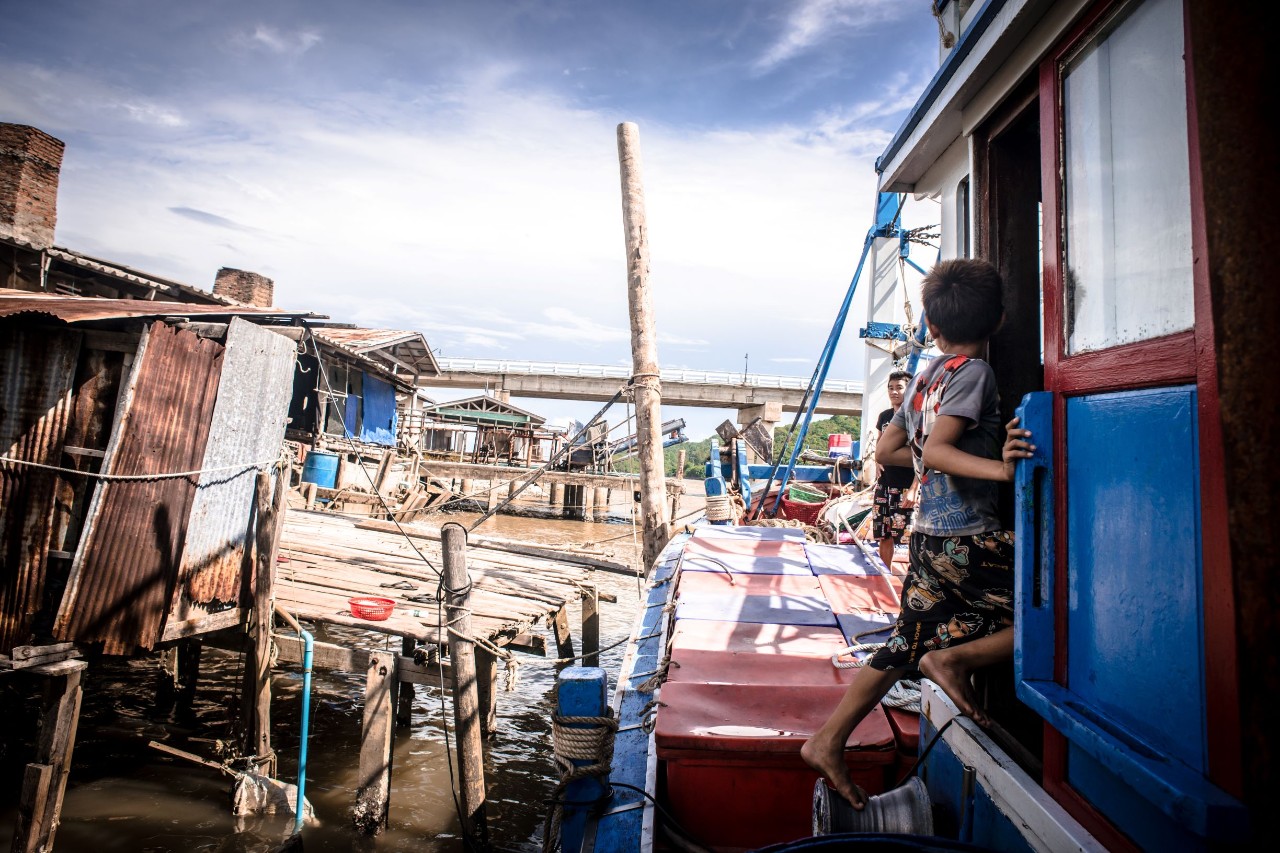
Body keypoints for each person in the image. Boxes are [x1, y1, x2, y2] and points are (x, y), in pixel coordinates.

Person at [801, 258, 1035, 809]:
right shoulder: (974, 373)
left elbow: (890, 451)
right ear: (1000, 321)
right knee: (1055, 616)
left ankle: (827, 739)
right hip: (969, 535)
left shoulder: (927, 374)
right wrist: (1001, 469)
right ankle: (954, 660)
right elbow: (937, 451)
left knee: (906, 641)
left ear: (930, 326)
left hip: (928, 534)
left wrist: (932, 463)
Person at [873, 370, 917, 572]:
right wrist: (876, 461)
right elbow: (880, 442)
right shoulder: (884, 416)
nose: (894, 392)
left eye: (899, 387)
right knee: (884, 533)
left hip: (904, 485)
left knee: (908, 536)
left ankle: (911, 579)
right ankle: (885, 573)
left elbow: (922, 455)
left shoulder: (915, 418)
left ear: (909, 389)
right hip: (884, 485)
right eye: (890, 388)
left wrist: (914, 488)